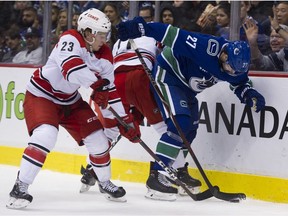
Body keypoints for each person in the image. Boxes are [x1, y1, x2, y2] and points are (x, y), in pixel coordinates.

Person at [116, 16, 266, 200]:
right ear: (224, 54)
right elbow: (170, 34)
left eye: (235, 71)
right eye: (229, 68)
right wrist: (140, 28)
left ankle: (177, 171)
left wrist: (249, 94)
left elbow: (239, 83)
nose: (231, 73)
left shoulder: (236, 66)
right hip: (168, 75)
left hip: (186, 87)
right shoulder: (206, 47)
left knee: (191, 128)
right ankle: (155, 176)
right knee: (180, 122)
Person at [6, 8, 140, 209]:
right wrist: (97, 84)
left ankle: (104, 183)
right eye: (101, 34)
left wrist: (125, 121)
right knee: (45, 135)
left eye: (106, 34)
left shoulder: (105, 56)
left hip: (70, 100)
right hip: (42, 94)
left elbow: (111, 92)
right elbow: (71, 69)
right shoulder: (70, 38)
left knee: (99, 140)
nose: (106, 39)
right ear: (87, 33)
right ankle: (20, 186)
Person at [79, 36, 202, 201]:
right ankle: (178, 171)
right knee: (169, 130)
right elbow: (166, 58)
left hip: (115, 81)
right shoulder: (153, 35)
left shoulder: (118, 42)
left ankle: (92, 168)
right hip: (140, 79)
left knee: (113, 130)